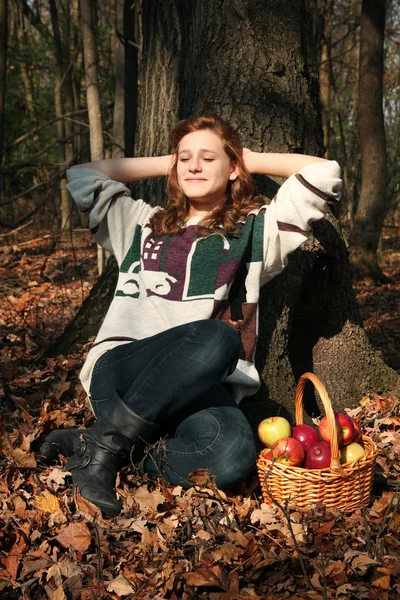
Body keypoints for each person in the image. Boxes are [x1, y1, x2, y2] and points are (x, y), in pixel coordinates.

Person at [40, 113, 342, 518]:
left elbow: (324, 173)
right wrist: (170, 161)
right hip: (123, 374)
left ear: (234, 169)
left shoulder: (258, 232)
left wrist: (246, 156)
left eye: (208, 158)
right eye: (185, 159)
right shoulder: (140, 223)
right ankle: (102, 453)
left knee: (233, 456)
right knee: (218, 338)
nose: (194, 166)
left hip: (198, 387)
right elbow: (81, 175)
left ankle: (93, 445)